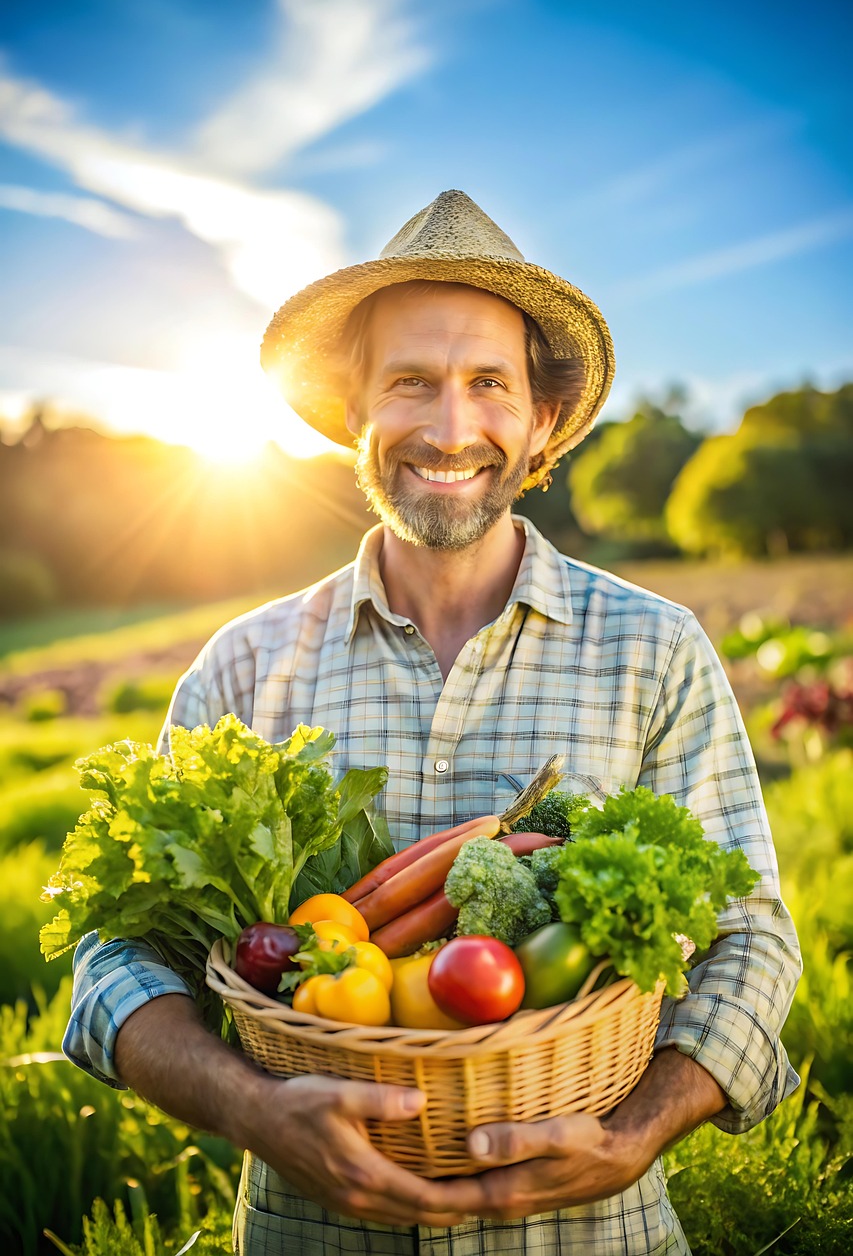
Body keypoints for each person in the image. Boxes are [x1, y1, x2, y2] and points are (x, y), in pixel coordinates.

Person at [65, 189, 801, 1255]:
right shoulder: (244, 666)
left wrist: (639, 1128)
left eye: (488, 384)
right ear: (354, 411)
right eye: (410, 381)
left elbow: (750, 935)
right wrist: (248, 1107)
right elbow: (117, 956)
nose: (450, 428)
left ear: (540, 419)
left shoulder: (655, 647)